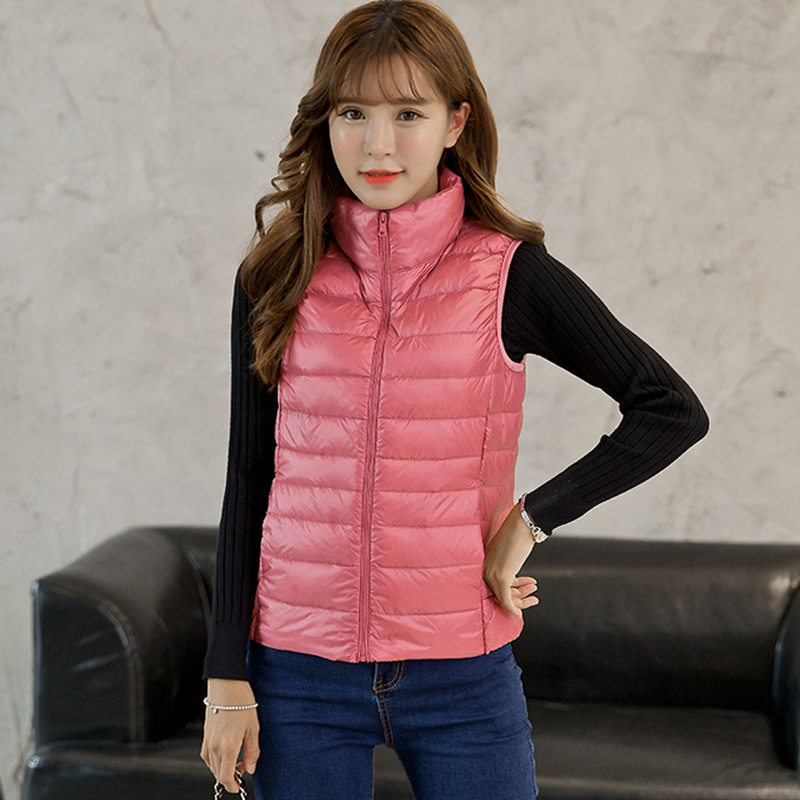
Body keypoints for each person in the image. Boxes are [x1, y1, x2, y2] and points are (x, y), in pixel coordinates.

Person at [200, 1, 709, 798]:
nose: (377, 144)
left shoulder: (510, 274)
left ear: (454, 122)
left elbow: (669, 407)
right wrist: (225, 677)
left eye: (408, 113)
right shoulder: (276, 275)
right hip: (296, 676)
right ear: (324, 122)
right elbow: (248, 479)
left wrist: (528, 522)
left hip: (461, 678)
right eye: (353, 113)